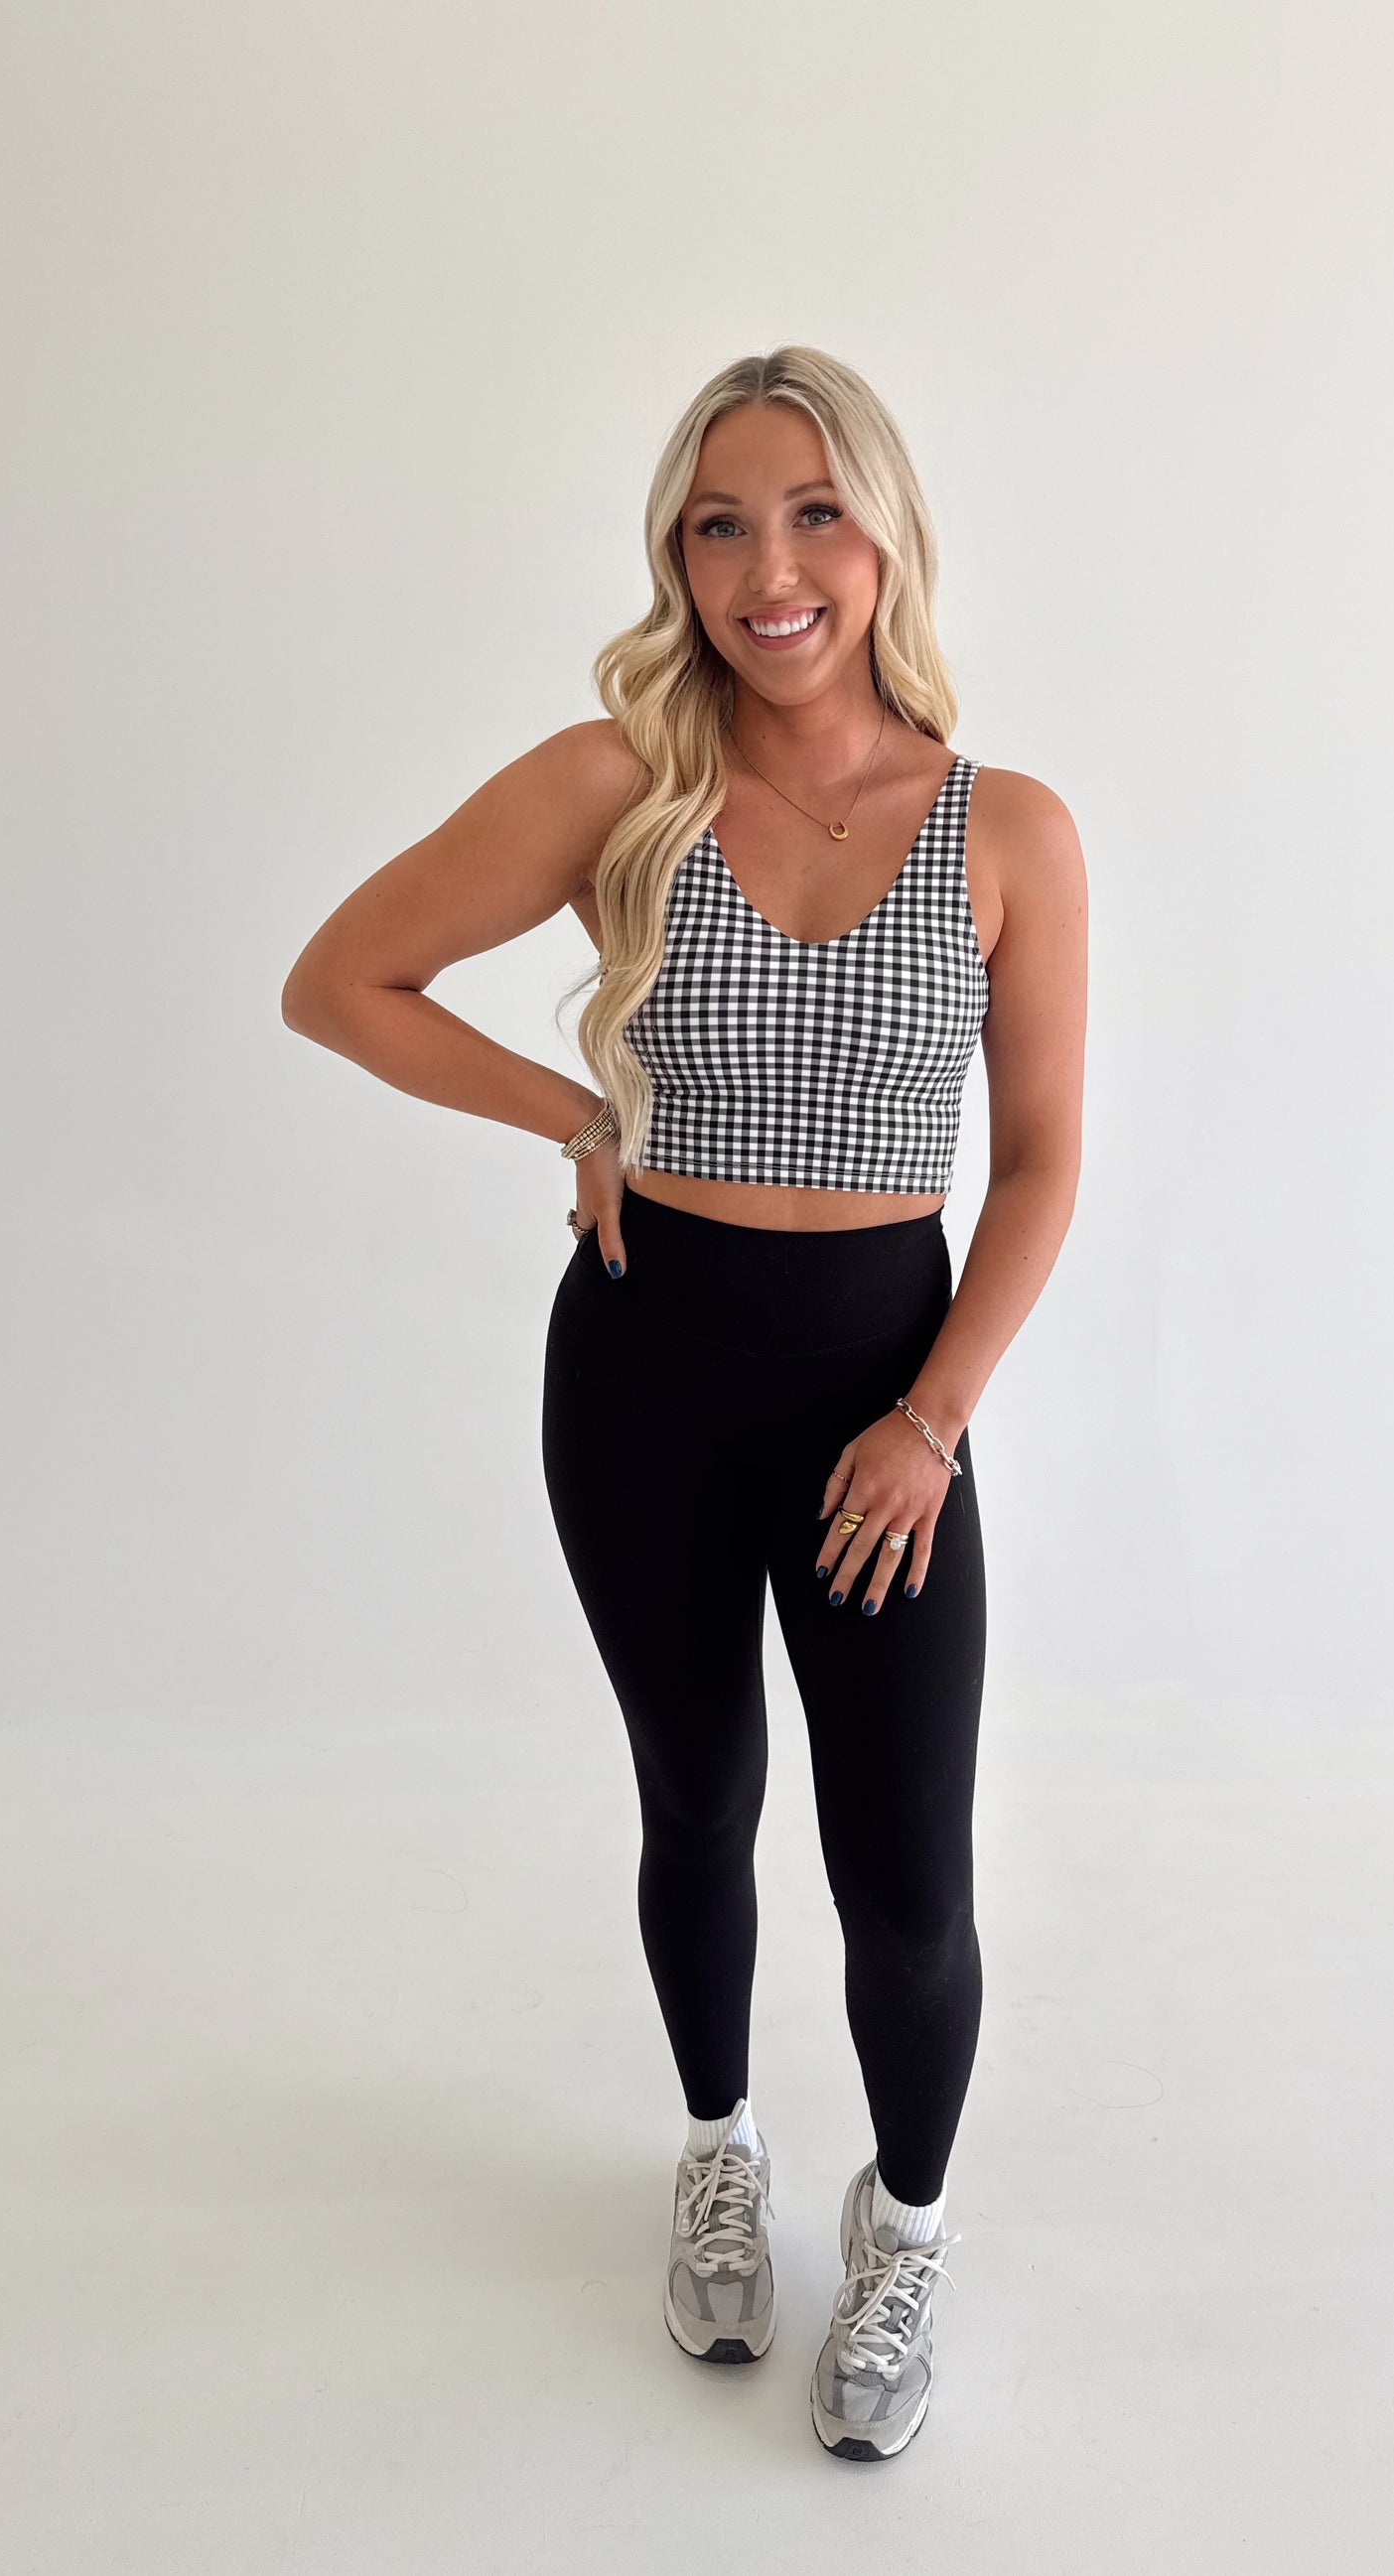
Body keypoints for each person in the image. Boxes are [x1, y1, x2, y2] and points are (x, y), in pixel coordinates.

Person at [281, 345, 1088, 2461]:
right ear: (675, 557)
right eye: (717, 525)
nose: (767, 567)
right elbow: (340, 980)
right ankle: (718, 2148)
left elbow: (1037, 1164)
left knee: (905, 1869)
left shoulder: (1005, 827)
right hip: (644, 1373)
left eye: (812, 512)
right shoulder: (615, 781)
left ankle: (905, 2226)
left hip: (885, 1398)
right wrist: (576, 1115)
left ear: (886, 533)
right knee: (697, 1796)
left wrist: (931, 1420)